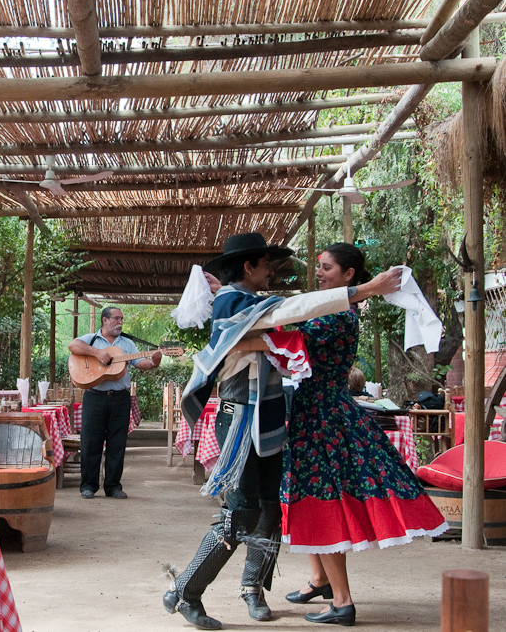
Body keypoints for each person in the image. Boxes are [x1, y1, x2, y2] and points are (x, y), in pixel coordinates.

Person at [164, 232, 401, 630]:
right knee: (239, 515)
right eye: (267, 264)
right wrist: (363, 290)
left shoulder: (249, 301)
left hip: (268, 417)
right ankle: (185, 591)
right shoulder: (232, 302)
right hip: (238, 418)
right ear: (248, 267)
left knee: (272, 510)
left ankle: (252, 589)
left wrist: (258, 339)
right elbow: (290, 312)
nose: (273, 271)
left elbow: (282, 318)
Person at [280, 243, 448, 626]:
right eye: (319, 266)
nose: (319, 272)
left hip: (323, 417)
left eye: (327, 268)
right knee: (308, 491)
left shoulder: (336, 315)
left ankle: (342, 602)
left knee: (322, 496)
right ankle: (319, 579)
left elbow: (285, 329)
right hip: (317, 411)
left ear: (349, 275)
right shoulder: (333, 307)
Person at [68, 306, 161, 500]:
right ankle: (88, 486)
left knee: (117, 443)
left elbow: (140, 363)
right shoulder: (91, 339)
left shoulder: (126, 344)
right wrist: (97, 354)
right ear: (105, 320)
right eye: (116, 318)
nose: (120, 322)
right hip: (94, 396)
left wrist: (154, 362)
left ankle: (113, 486)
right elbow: (72, 345)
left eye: (121, 319)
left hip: (120, 398)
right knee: (91, 442)